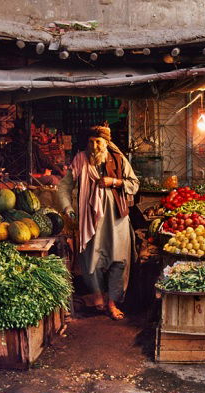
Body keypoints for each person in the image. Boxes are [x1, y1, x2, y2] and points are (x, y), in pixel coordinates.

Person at [58, 124, 139, 320]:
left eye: (98, 142)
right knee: (91, 262)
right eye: (91, 142)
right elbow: (64, 187)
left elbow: (134, 184)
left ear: (106, 143)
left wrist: (114, 182)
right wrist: (68, 209)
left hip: (117, 219)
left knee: (118, 260)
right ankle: (98, 297)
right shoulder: (80, 160)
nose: (95, 146)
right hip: (90, 221)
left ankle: (112, 302)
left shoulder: (118, 159)